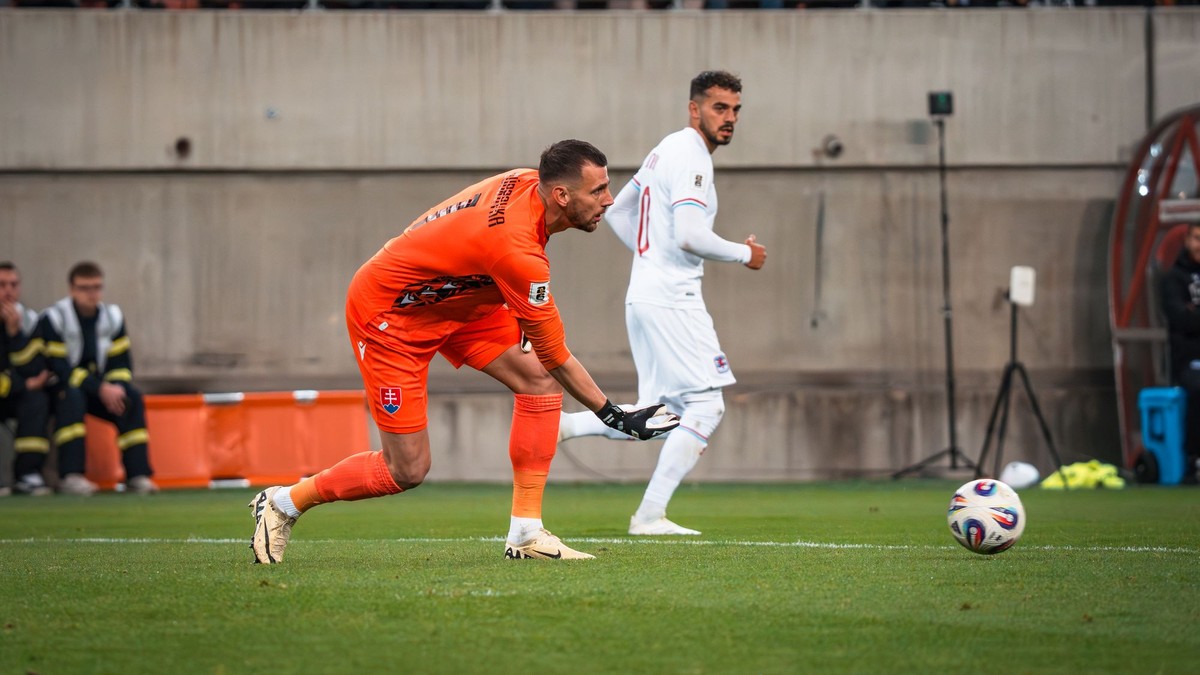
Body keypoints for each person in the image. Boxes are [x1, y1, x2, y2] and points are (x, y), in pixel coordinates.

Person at [248, 139, 679, 565]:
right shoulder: (518, 250)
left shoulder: (528, 184)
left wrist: (517, 310)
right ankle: (284, 503)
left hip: (459, 300)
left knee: (538, 381)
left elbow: (472, 244)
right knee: (407, 471)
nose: (609, 199)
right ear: (562, 195)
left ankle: (526, 533)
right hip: (391, 315)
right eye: (598, 190)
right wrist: (613, 415)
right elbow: (555, 353)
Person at [557, 71, 768, 535]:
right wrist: (744, 254)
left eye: (735, 110)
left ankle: (567, 428)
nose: (729, 118)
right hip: (672, 298)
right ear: (695, 109)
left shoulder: (666, 148)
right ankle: (650, 515)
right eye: (719, 107)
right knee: (706, 407)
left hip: (647, 294)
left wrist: (649, 254)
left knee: (658, 413)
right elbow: (690, 235)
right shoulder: (691, 155)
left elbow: (617, 209)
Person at [41, 261, 158, 495]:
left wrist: (117, 387)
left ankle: (138, 475)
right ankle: (71, 476)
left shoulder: (112, 317)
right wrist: (100, 388)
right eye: (84, 288)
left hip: (99, 389)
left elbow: (121, 363)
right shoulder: (54, 318)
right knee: (72, 397)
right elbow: (60, 368)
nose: (91, 293)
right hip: (60, 389)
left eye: (96, 287)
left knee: (131, 398)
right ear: (72, 289)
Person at [0, 262, 52, 497]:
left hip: (15, 393)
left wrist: (15, 335)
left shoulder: (29, 320)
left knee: (36, 399)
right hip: (11, 388)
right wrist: (21, 384)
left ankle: (28, 474)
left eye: (13, 285)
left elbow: (36, 370)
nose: (8, 291)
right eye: (2, 285)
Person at [1160, 222, 1200, 484]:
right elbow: (1180, 318)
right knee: (1198, 388)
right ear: (1187, 241)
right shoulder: (1174, 278)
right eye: (1196, 238)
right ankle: (1193, 459)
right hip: (1188, 359)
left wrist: (1194, 313)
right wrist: (1189, 316)